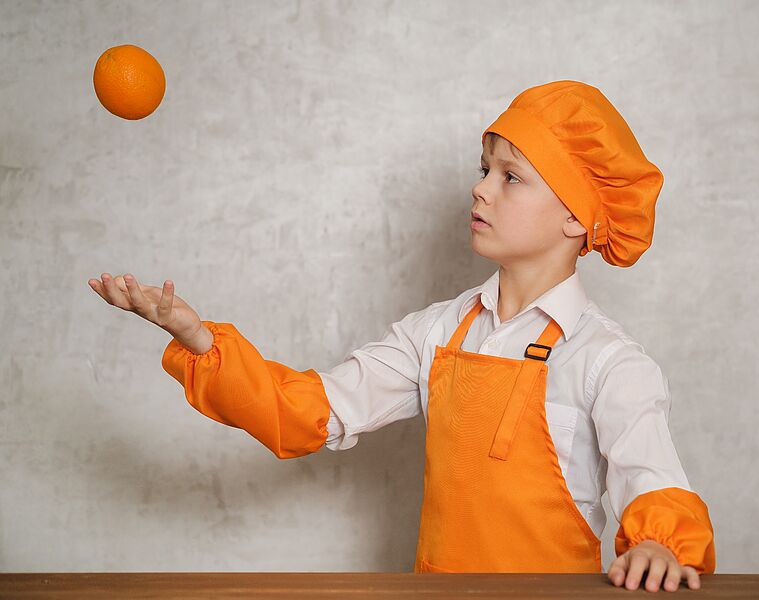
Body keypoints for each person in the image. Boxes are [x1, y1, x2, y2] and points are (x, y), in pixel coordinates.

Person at [88, 80, 715, 592]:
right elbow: (309, 411)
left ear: (577, 214)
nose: (480, 187)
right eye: (483, 168)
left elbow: (654, 481)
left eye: (510, 176)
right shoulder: (437, 333)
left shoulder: (607, 360)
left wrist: (660, 540)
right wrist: (200, 341)